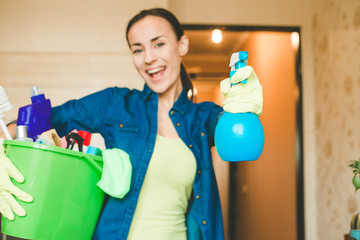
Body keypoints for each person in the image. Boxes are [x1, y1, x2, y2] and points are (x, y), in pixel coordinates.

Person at [0, 8, 262, 240]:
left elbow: (238, 137)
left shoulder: (202, 117)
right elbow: (38, 123)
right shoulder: (116, 104)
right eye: (138, 49)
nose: (148, 58)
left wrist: (241, 107)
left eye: (158, 44)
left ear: (182, 45)